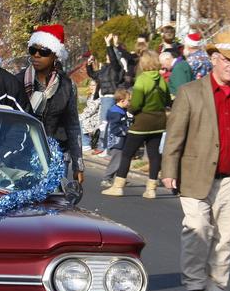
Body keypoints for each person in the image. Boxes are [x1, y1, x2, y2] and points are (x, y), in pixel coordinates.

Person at [161, 32, 230, 291]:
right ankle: (194, 284)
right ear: (214, 59)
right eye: (228, 60)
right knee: (197, 229)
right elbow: (174, 136)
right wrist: (169, 169)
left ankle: (216, 287)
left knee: (225, 236)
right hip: (195, 174)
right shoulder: (190, 92)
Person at [16, 24, 84, 187]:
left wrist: (78, 164)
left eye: (44, 52)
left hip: (57, 156)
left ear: (55, 55)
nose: (37, 55)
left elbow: (73, 126)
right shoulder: (17, 81)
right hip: (22, 155)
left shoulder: (67, 86)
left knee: (52, 203)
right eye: (33, 50)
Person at [101, 50, 170, 198]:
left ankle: (118, 186)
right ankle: (151, 188)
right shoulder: (162, 80)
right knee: (153, 154)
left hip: (142, 122)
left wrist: (131, 111)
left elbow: (136, 103)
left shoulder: (142, 79)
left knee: (127, 153)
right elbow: (167, 101)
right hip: (159, 121)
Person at [100, 87, 132, 188]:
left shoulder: (121, 110)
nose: (130, 103)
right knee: (116, 161)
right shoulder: (116, 112)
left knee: (122, 160)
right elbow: (114, 128)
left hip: (121, 140)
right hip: (116, 141)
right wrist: (127, 130)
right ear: (122, 100)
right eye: (129, 100)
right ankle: (106, 179)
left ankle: (119, 178)